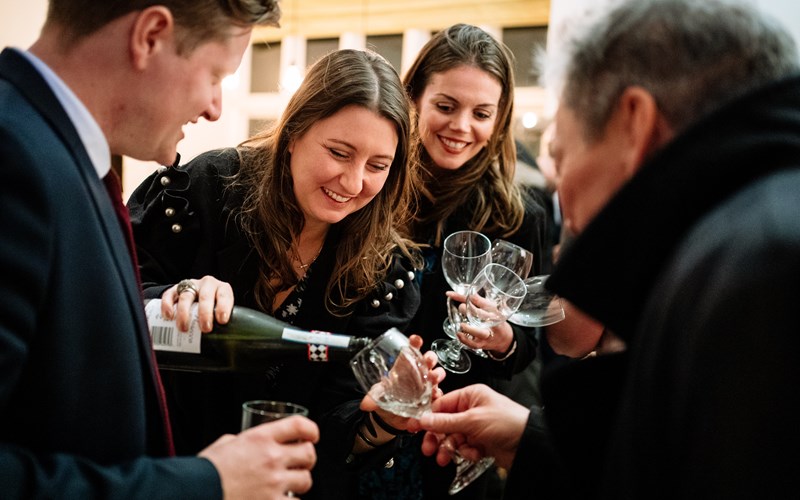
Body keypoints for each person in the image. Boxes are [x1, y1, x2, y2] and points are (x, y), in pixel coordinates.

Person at [413, 0, 800, 498]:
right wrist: (529, 440)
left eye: (564, 152)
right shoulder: (748, 236)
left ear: (635, 122)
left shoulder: (758, 274)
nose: (560, 191)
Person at [0, 1, 323, 498]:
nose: (216, 107)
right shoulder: (14, 159)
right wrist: (205, 483)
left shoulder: (64, 160)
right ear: (150, 35)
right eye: (216, 75)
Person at [128, 48, 443, 499]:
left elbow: (337, 426)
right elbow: (111, 296)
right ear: (294, 132)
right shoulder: (206, 191)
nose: (353, 184)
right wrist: (176, 294)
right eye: (339, 152)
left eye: (377, 166)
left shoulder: (386, 270)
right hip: (168, 476)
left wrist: (383, 421)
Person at [390, 23, 549, 499]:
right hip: (365, 419)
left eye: (481, 113)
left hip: (453, 436)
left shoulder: (517, 214)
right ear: (413, 97)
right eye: (445, 106)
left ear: (499, 120)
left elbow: (525, 347)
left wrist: (502, 340)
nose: (461, 127)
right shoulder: (374, 186)